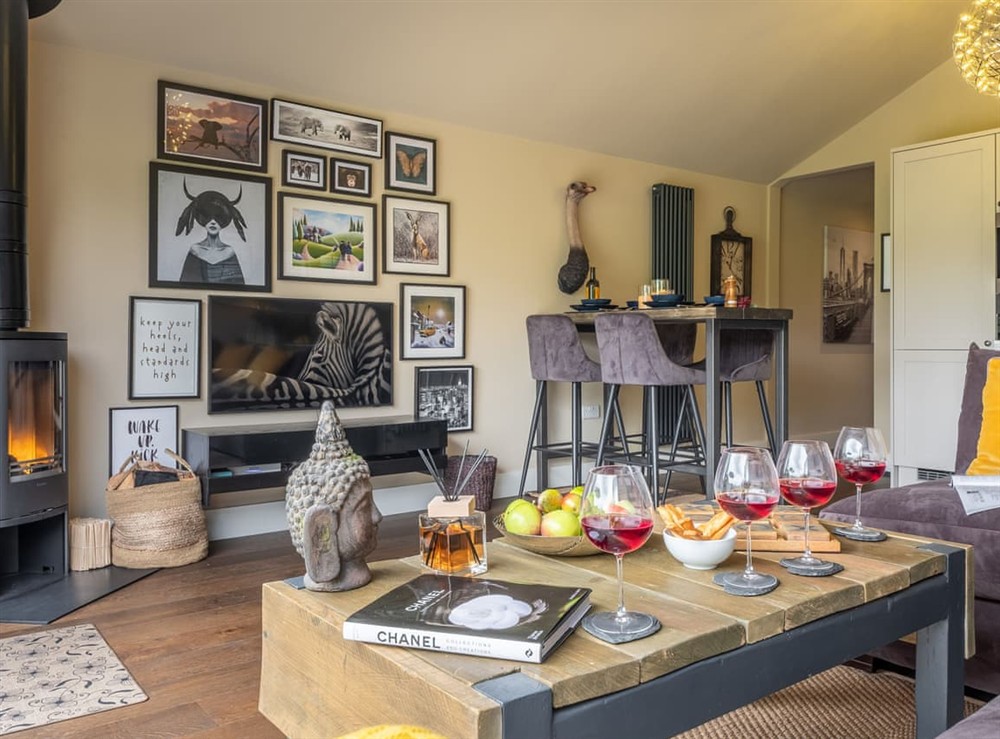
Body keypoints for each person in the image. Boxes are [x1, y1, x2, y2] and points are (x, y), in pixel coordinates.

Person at [174, 179, 248, 284]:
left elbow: (239, 287)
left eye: (218, 217)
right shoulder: (195, 250)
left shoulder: (229, 252)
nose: (213, 222)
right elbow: (186, 284)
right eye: (207, 216)